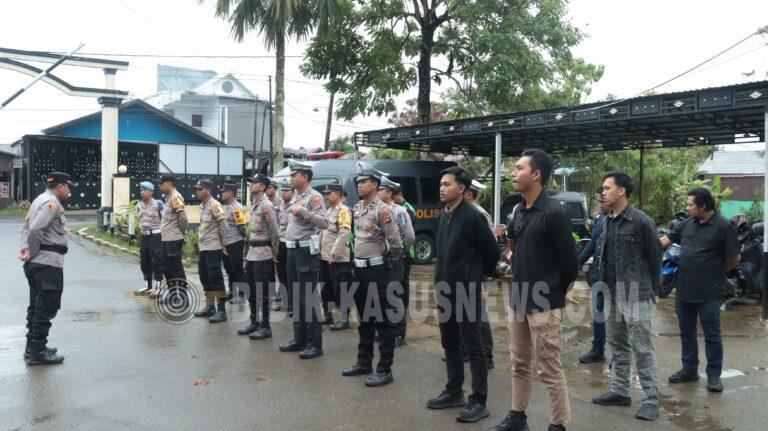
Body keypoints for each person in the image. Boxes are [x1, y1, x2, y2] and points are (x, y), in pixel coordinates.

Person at [489, 149, 578, 431]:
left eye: (518, 168)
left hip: (545, 304)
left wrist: (556, 295)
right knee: (519, 364)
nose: (513, 173)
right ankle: (517, 417)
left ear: (536, 174)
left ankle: (558, 424)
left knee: (549, 368)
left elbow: (571, 263)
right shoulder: (521, 210)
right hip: (518, 301)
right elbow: (513, 243)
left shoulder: (554, 213)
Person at [427, 166, 499, 424]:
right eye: (441, 184)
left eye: (447, 184)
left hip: (466, 291)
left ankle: (478, 401)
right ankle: (454, 391)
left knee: (474, 347)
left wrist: (477, 277)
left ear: (462, 189)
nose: (442, 187)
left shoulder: (473, 217)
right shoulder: (442, 215)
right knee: (450, 343)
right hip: (445, 290)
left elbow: (492, 252)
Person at [592, 171, 663, 422]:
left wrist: (654, 290)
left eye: (607, 188)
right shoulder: (607, 220)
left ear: (621, 191)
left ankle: (651, 398)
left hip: (635, 293)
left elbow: (655, 258)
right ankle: (620, 390)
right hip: (610, 292)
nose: (603, 192)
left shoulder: (641, 221)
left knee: (642, 347)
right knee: (617, 345)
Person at [660, 188, 740, 393]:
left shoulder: (723, 227)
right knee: (686, 332)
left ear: (702, 206)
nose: (687, 208)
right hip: (684, 289)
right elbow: (666, 241)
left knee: (712, 334)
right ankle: (689, 370)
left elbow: (734, 258)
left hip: (709, 292)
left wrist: (714, 272)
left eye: (690, 205)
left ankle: (714, 376)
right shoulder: (687, 223)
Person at [341, 161, 403, 387]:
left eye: (364, 181)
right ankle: (363, 362)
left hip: (378, 271)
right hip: (361, 270)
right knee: (364, 319)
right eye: (358, 182)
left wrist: (389, 263)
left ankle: (384, 369)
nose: (359, 185)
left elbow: (395, 242)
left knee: (384, 322)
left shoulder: (382, 209)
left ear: (375, 184)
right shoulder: (357, 208)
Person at [20, 172, 74, 365]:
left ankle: (33, 347)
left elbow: (25, 227)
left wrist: (26, 249)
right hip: (47, 263)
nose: (69, 190)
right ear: (61, 186)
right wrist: (32, 251)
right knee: (46, 306)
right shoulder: (52, 204)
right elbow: (34, 229)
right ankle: (37, 352)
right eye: (68, 186)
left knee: (36, 305)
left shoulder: (37, 200)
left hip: (38, 263)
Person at [278, 159, 328, 359]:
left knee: (309, 298)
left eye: (294, 175)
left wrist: (304, 212)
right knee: (296, 297)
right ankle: (299, 339)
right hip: (292, 252)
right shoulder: (296, 196)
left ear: (304, 177)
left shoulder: (314, 197)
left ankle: (315, 344)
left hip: (306, 252)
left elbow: (323, 222)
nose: (291, 178)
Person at [239, 174, 281, 339]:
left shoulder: (266, 206)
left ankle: (265, 326)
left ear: (262, 186)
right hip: (252, 254)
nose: (251, 185)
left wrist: (274, 253)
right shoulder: (255, 204)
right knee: (251, 291)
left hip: (264, 253)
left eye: (254, 183)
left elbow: (275, 233)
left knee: (262, 292)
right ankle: (254, 322)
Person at [378, 175, 415, 347]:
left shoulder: (400, 212)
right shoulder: (376, 210)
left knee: (395, 296)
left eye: (380, 189)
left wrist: (399, 253)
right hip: (379, 260)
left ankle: (400, 333)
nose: (377, 192)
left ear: (389, 193)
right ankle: (387, 330)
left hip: (395, 259)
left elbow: (409, 236)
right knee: (382, 297)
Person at [464, 179, 497, 369]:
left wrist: (483, 273)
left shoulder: (479, 214)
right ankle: (467, 350)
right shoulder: (460, 213)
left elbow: (490, 247)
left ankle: (487, 354)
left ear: (468, 194)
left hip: (477, 274)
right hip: (463, 272)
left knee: (479, 313)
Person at [576, 187, 609, 364]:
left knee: (619, 319)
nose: (599, 205)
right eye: (598, 201)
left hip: (616, 279)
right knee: (598, 314)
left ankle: (620, 358)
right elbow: (593, 244)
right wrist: (578, 261)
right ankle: (598, 350)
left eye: (602, 201)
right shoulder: (600, 220)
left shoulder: (622, 222)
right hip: (598, 276)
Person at [192, 179, 229, 323]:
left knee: (216, 279)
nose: (197, 192)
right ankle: (210, 306)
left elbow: (224, 225)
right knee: (204, 276)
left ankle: (221, 311)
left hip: (213, 247)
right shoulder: (203, 206)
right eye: (197, 189)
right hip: (204, 248)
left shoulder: (215, 205)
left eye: (200, 189)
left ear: (208, 190)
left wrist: (224, 244)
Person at [319, 183, 353, 330]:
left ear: (338, 195)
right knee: (326, 288)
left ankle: (344, 319)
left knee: (342, 289)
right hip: (325, 257)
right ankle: (328, 315)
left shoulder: (343, 211)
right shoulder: (329, 211)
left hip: (338, 258)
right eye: (326, 193)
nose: (327, 196)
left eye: (330, 193)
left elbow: (344, 232)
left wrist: (335, 251)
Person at [392, 189, 415, 340]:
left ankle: (400, 330)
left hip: (405, 254)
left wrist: (402, 251)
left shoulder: (405, 210)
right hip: (393, 256)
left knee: (402, 286)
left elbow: (408, 234)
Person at [134, 181, 164, 295]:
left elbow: (164, 219)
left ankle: (158, 288)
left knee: (157, 261)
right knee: (144, 261)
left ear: (151, 191)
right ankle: (147, 286)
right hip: (144, 236)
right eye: (141, 190)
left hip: (156, 236)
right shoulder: (138, 205)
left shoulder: (158, 204)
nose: (142, 192)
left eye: (145, 190)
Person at [220, 182, 247, 304]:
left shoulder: (237, 208)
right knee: (229, 269)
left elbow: (242, 228)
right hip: (227, 244)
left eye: (224, 191)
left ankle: (241, 295)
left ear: (230, 193)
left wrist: (242, 241)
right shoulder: (228, 206)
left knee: (237, 270)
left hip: (235, 243)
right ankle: (232, 292)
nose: (222, 193)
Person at [158, 173, 188, 282]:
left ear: (168, 183)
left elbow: (183, 218)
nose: (159, 186)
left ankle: (182, 296)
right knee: (166, 268)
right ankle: (173, 294)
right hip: (167, 239)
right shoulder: (170, 198)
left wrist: (182, 233)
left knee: (175, 269)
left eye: (161, 184)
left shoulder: (176, 197)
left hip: (173, 239)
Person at [275, 177, 293, 313]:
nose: (284, 193)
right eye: (282, 191)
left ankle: (293, 305)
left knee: (291, 276)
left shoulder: (295, 205)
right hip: (281, 243)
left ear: (293, 192)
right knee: (281, 275)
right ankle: (285, 302)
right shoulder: (281, 205)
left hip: (290, 244)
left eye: (287, 191)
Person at [267, 179, 283, 304]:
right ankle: (272, 291)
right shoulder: (265, 202)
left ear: (275, 189)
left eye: (270, 187)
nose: (267, 190)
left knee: (279, 267)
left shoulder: (280, 202)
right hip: (267, 238)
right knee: (269, 267)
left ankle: (281, 291)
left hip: (278, 237)